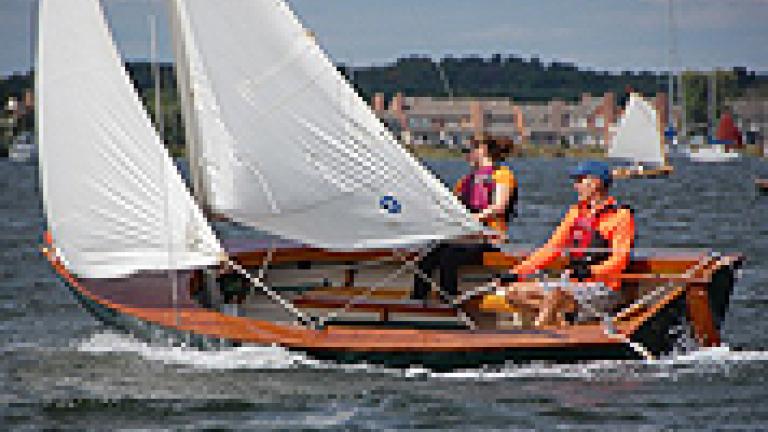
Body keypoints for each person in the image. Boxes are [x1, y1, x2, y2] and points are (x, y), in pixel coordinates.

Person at [490, 160, 634, 326]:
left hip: (603, 287)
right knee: (513, 292)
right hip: (572, 283)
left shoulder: (621, 216)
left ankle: (537, 337)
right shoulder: (575, 213)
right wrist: (517, 273)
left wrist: (590, 271)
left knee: (556, 296)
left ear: (596, 183)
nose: (575, 186)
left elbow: (620, 260)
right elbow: (551, 250)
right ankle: (562, 322)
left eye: (580, 180)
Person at [412, 134, 517, 301]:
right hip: (466, 238)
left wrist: (473, 219)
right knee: (426, 258)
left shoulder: (502, 175)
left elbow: (499, 206)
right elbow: (453, 208)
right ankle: (417, 301)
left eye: (468, 151)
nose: (466, 156)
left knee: (449, 258)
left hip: (489, 238)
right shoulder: (465, 181)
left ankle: (450, 301)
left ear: (482, 151)